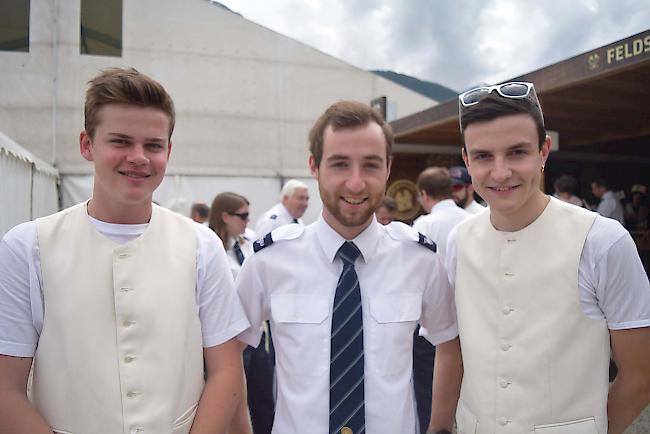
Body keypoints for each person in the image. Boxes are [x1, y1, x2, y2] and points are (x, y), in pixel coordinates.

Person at [0, 68, 249, 434]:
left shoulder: (201, 245)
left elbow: (226, 369)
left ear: (168, 150)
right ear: (87, 144)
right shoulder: (27, 247)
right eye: (120, 141)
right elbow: (6, 388)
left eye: (153, 145)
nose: (138, 157)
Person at [236, 100, 462, 434]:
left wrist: (440, 427)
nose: (355, 183)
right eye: (340, 164)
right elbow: (227, 355)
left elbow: (449, 343)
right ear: (314, 166)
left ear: (388, 168)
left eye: (370, 166)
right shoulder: (268, 261)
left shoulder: (420, 259)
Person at [450, 81, 650, 434]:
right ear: (466, 160)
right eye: (483, 156)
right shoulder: (457, 240)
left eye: (517, 153)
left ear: (544, 151)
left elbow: (639, 377)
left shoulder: (602, 242)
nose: (500, 172)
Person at [410, 166, 470, 433]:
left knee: (428, 391)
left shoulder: (425, 225)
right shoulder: (473, 218)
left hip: (431, 324)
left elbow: (412, 275)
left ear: (424, 194)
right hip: (470, 318)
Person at [209, 192, 275, 434]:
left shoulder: (248, 244)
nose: (247, 221)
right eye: (243, 216)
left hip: (254, 332)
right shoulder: (212, 248)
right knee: (234, 396)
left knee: (263, 395)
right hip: (227, 336)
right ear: (225, 216)